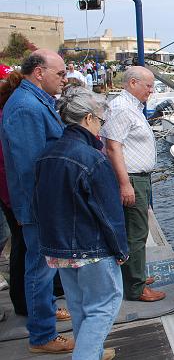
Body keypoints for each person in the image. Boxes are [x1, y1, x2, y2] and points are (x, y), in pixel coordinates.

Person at [34, 87, 128, 360]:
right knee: (104, 305)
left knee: (78, 306)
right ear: (88, 119)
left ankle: (93, 352)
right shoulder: (92, 158)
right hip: (90, 247)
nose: (101, 126)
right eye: (100, 120)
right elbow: (108, 212)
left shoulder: (47, 152)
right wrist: (121, 249)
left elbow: (37, 203)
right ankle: (87, 354)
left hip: (57, 247)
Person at [0, 49, 74, 353]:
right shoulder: (27, 108)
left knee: (44, 268)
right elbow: (30, 168)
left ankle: (45, 314)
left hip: (43, 204)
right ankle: (42, 336)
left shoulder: (33, 102)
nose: (65, 80)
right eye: (60, 74)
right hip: (40, 206)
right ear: (39, 72)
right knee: (40, 269)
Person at [101, 66, 165, 302]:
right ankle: (136, 288)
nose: (151, 90)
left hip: (139, 178)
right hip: (132, 179)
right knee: (136, 233)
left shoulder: (131, 107)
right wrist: (124, 183)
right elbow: (112, 147)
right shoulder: (121, 108)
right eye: (148, 85)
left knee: (136, 230)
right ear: (133, 83)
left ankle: (134, 275)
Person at [0, 68, 28, 317]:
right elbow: (12, 163)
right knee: (23, 247)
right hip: (13, 194)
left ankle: (24, 300)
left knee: (21, 246)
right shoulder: (11, 116)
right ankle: (23, 302)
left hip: (10, 194)